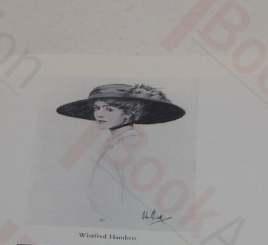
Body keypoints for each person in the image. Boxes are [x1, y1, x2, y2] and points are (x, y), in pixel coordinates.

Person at [56, 83, 185, 221]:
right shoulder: (114, 144)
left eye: (109, 109)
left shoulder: (130, 145)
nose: (99, 114)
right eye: (97, 108)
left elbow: (132, 198)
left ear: (129, 113)